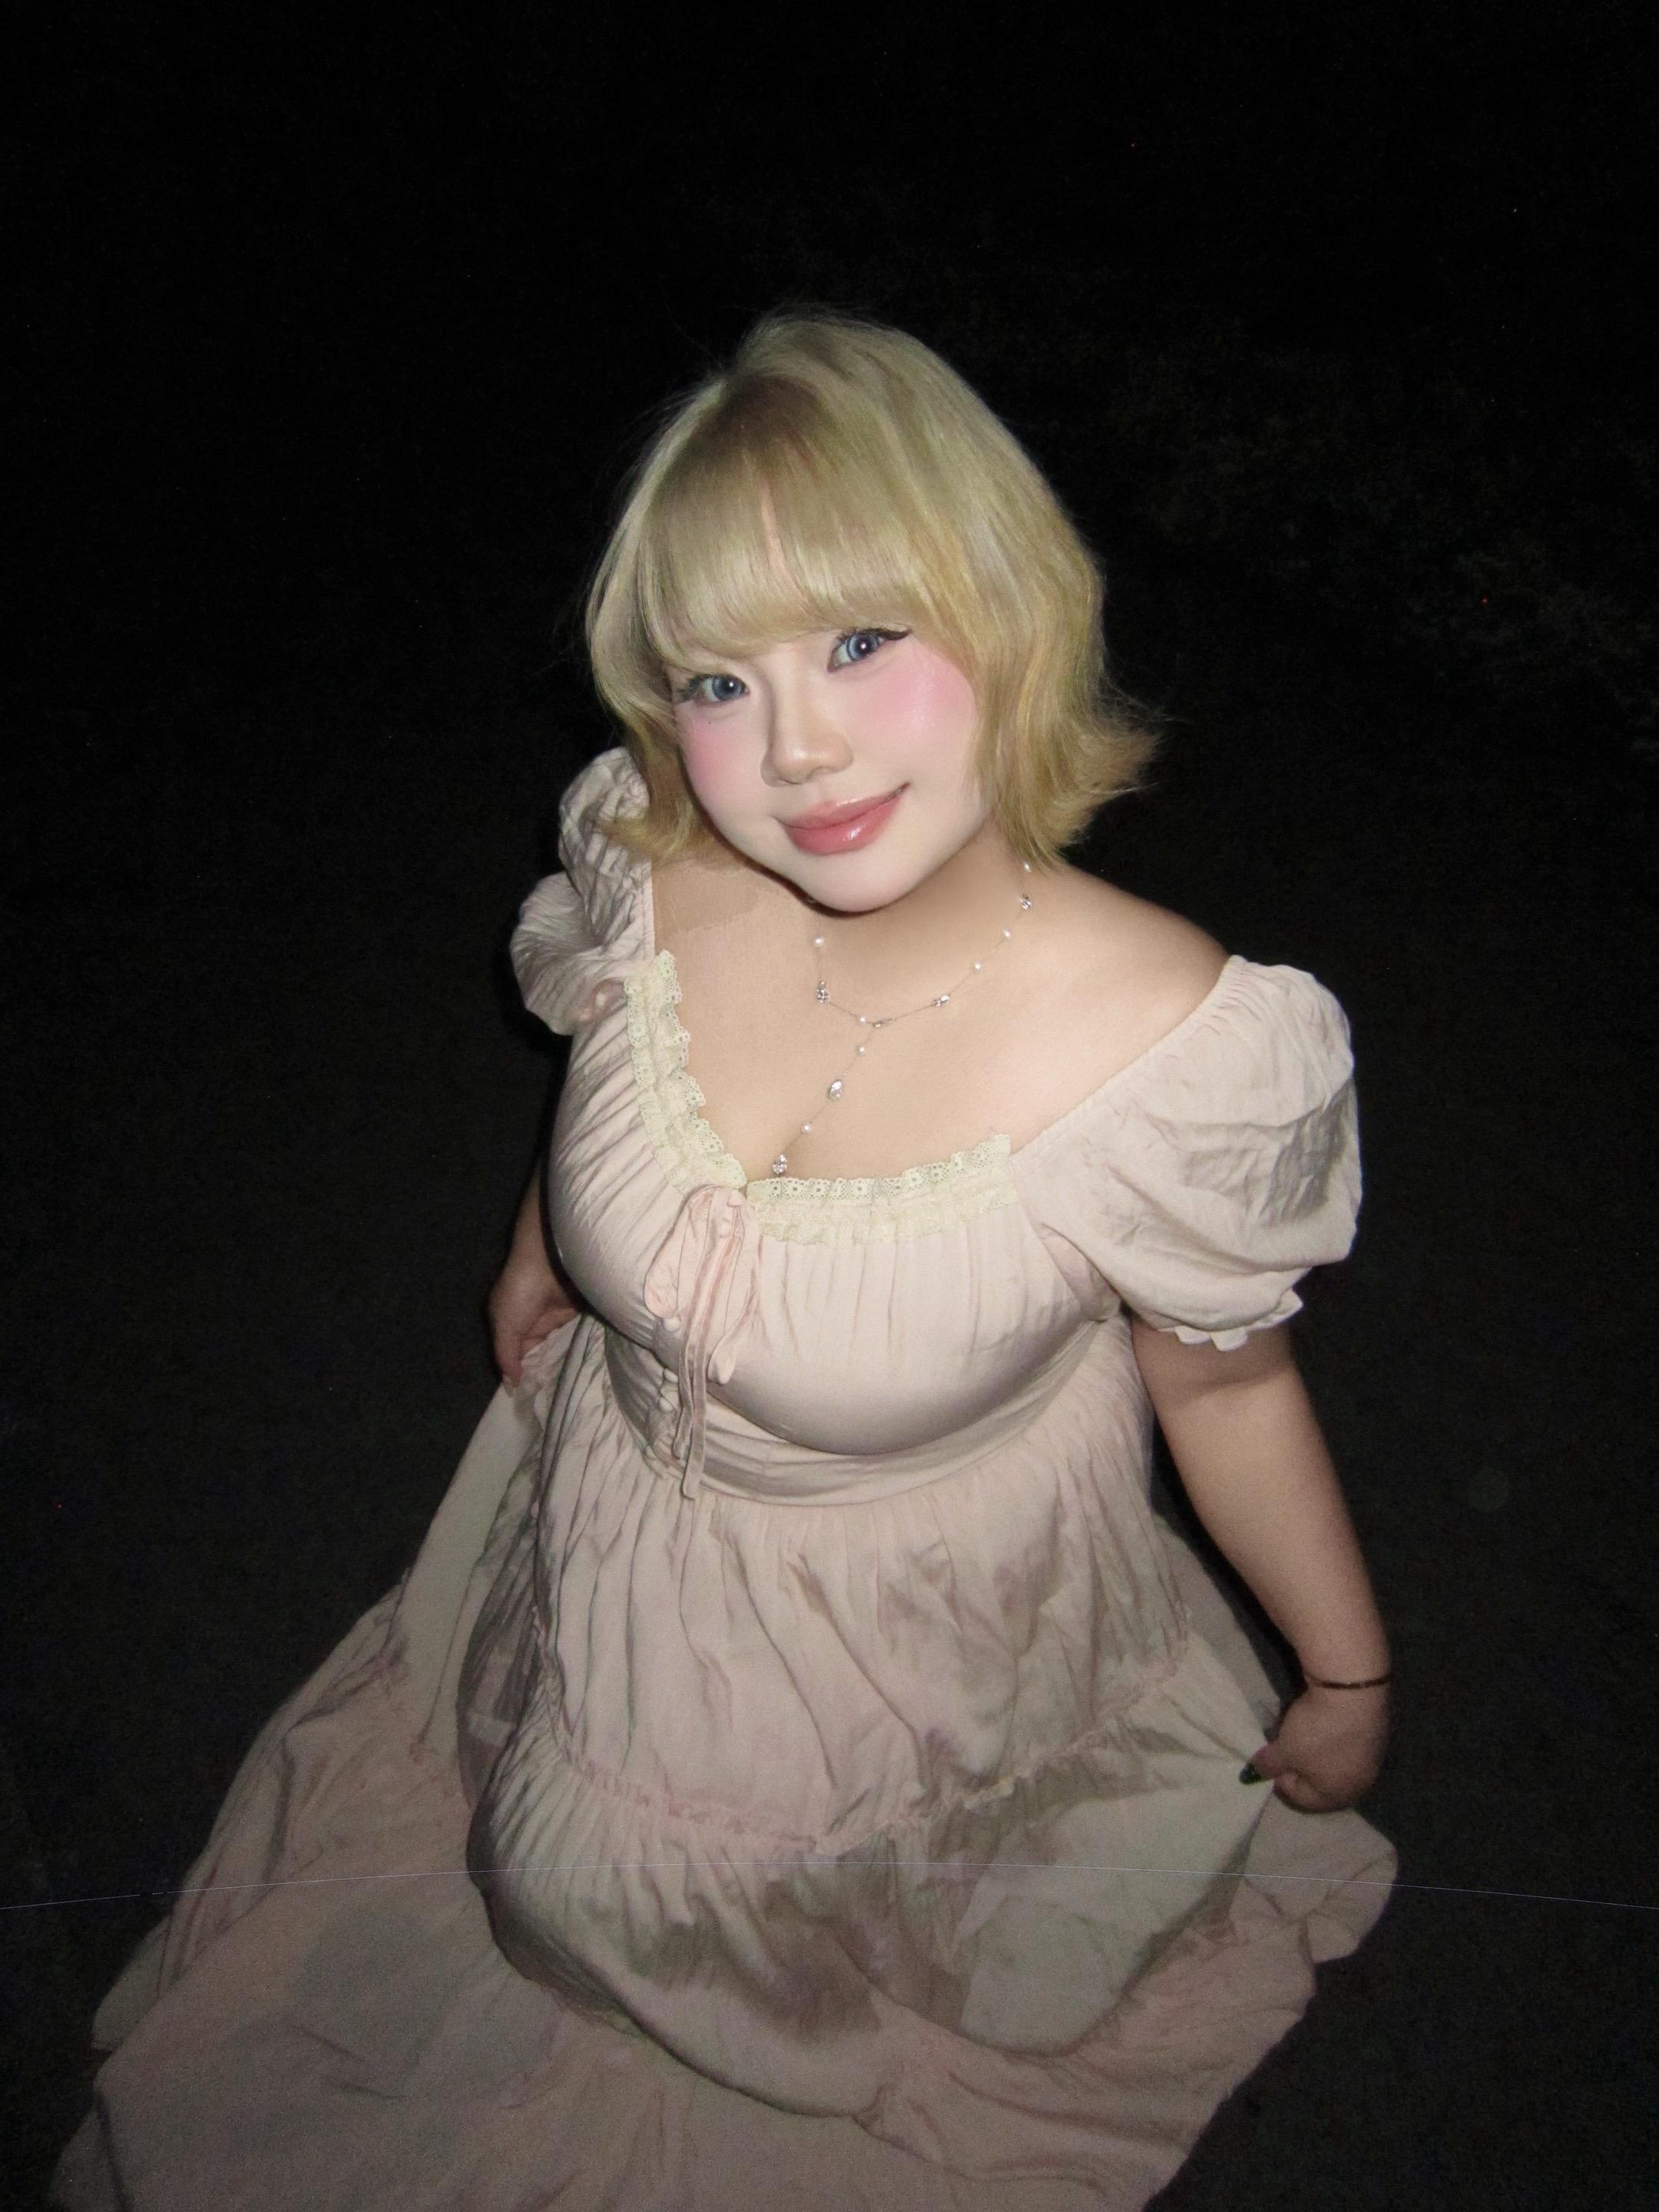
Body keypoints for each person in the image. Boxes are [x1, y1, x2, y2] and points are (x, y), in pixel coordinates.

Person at [54, 308, 1396, 2212]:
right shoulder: (652, 851)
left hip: (918, 1623)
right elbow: (606, 1052)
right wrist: (545, 1245)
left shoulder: (1171, 1042)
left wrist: (1344, 1673)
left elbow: (1229, 1383)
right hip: (624, 1527)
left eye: (860, 641)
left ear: (1013, 612)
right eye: (716, 677)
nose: (794, 751)